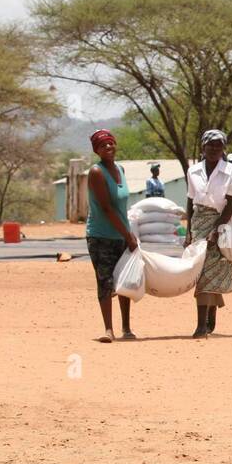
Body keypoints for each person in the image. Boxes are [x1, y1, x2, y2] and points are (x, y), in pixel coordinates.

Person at [184, 128, 232, 337]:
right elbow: (191, 201)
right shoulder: (193, 171)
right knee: (201, 272)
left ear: (223, 149)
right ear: (203, 147)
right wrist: (188, 233)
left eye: (218, 145)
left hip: (222, 222)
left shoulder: (231, 171)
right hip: (199, 223)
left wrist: (217, 230)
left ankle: (202, 325)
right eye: (211, 145)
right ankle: (207, 316)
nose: (214, 149)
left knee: (214, 269)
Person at [85, 128, 137, 343]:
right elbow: (106, 208)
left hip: (122, 235)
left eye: (110, 143)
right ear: (97, 150)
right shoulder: (96, 172)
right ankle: (109, 329)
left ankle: (127, 327)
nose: (108, 147)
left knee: (125, 281)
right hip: (101, 236)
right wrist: (128, 235)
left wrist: (127, 234)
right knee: (105, 281)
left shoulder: (121, 169)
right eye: (102, 145)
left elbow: (121, 206)